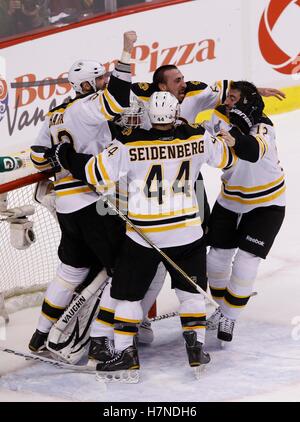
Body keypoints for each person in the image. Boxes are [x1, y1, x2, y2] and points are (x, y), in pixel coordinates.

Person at [39, 91, 238, 376]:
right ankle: (196, 350)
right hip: (188, 233)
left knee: (128, 297)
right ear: (175, 114)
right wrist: (225, 140)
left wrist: (65, 155)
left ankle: (125, 355)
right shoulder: (197, 137)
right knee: (191, 293)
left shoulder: (129, 144)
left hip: (145, 235)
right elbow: (227, 160)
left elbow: (95, 173)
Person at [28, 30, 137, 353]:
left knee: (71, 270)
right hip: (93, 202)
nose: (104, 82)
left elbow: (37, 157)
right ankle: (101, 340)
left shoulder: (54, 114)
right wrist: (127, 52)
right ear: (86, 85)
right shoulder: (85, 107)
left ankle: (39, 334)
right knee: (122, 268)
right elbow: (117, 100)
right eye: (100, 79)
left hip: (66, 206)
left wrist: (59, 156)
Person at [205, 81, 286, 342]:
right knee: (216, 259)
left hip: (267, 204)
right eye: (228, 97)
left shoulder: (263, 126)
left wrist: (235, 136)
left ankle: (229, 316)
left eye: (234, 98)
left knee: (245, 262)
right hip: (229, 200)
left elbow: (251, 151)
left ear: (246, 103)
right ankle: (223, 307)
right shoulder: (220, 116)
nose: (228, 102)